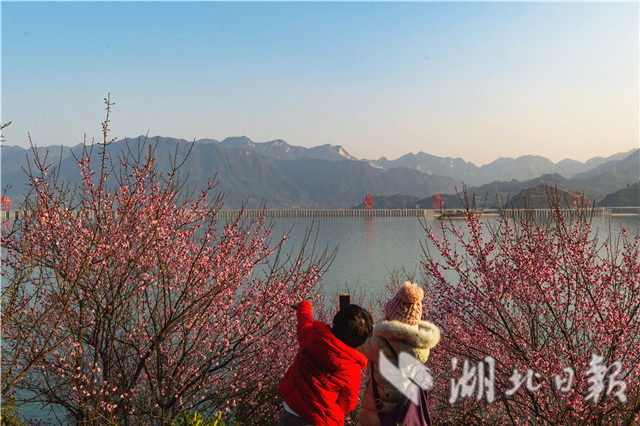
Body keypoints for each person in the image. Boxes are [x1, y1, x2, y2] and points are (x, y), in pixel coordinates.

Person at [357, 282, 441, 426]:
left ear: (392, 315)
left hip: (378, 414)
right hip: (404, 412)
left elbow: (356, 346)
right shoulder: (421, 346)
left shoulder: (379, 344)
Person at [278, 301, 373, 426]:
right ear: (360, 342)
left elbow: (304, 322)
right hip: (320, 421)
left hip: (290, 413)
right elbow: (348, 404)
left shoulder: (311, 337)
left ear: (335, 321)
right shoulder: (351, 369)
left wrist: (304, 306)